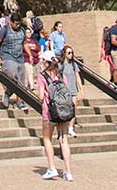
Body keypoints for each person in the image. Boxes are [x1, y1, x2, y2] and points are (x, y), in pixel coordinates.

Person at [36, 50, 74, 181]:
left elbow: (41, 96)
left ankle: (52, 168)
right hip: (63, 110)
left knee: (47, 139)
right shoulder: (61, 73)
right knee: (64, 140)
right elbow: (67, 91)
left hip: (50, 111)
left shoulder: (42, 76)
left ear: (46, 62)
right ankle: (68, 172)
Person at [0, 13, 29, 111]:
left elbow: (24, 43)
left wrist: (30, 54)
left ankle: (19, 102)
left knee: (21, 81)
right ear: (10, 22)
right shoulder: (5, 30)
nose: (18, 25)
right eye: (16, 23)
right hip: (7, 56)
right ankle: (7, 93)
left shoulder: (22, 31)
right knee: (12, 77)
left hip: (19, 58)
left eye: (19, 24)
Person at [59, 46, 81, 137]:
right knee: (65, 108)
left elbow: (77, 76)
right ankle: (63, 126)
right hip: (65, 90)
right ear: (64, 54)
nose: (71, 55)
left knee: (73, 109)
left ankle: (71, 128)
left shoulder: (73, 64)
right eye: (69, 53)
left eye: (72, 53)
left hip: (73, 89)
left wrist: (81, 89)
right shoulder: (61, 65)